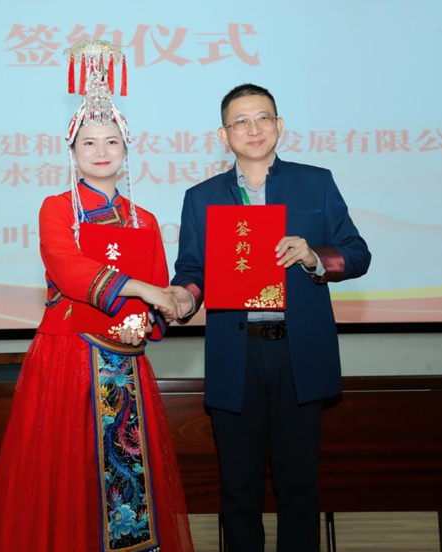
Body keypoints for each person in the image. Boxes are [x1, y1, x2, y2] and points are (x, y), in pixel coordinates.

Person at [0, 40, 193, 552]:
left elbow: (160, 287)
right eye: (89, 142)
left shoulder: (145, 219)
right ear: (72, 152)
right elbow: (70, 272)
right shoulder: (56, 209)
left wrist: (159, 312)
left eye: (112, 141)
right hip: (68, 359)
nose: (101, 151)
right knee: (65, 471)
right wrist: (143, 290)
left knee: (126, 477)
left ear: (126, 150)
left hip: (126, 362)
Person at [165, 83, 371, 551]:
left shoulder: (316, 182)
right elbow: (192, 271)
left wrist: (314, 256)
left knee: (299, 488)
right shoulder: (201, 197)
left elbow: (357, 254)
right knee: (239, 491)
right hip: (235, 356)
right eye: (241, 121)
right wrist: (183, 298)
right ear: (224, 135)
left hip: (298, 354)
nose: (253, 129)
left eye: (263, 118)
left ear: (280, 126)